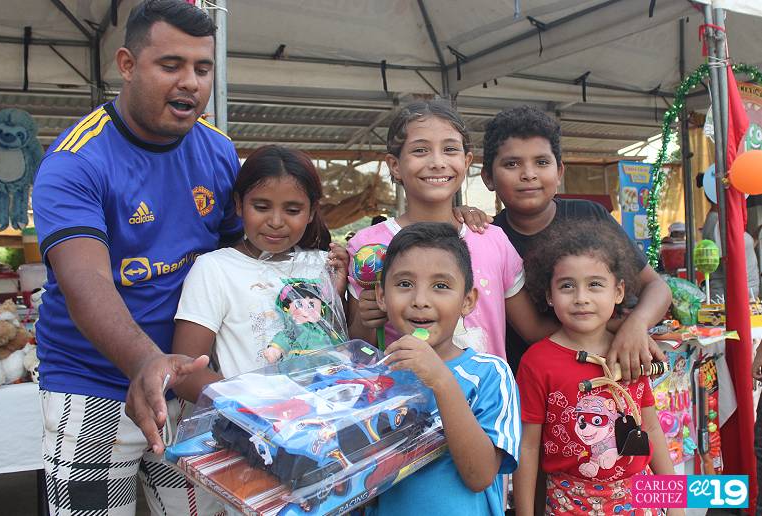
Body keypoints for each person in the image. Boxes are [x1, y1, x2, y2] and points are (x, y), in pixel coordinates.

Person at [32, 1, 235, 513]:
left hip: (186, 384)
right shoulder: (75, 162)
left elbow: (242, 255)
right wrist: (145, 362)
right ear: (126, 65)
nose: (190, 82)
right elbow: (86, 284)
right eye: (171, 65)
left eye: (202, 68)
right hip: (91, 387)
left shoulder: (218, 151)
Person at [347, 99, 556, 358]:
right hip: (408, 398)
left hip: (486, 398)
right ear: (395, 165)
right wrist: (367, 320)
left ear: (467, 161)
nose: (437, 162)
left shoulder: (491, 239)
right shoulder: (367, 247)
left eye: (450, 149)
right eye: (420, 150)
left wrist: (613, 328)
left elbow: (533, 329)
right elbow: (357, 347)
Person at [482, 105, 671, 379]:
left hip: (604, 376)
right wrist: (615, 330)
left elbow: (657, 286)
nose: (528, 174)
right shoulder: (489, 238)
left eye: (541, 162)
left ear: (559, 172)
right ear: (488, 177)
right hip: (530, 383)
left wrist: (637, 325)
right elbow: (534, 330)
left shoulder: (590, 215)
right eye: (512, 164)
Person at [514, 219, 680, 516]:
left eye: (595, 285)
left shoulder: (630, 351)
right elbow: (528, 449)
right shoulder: (536, 362)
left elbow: (651, 428)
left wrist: (676, 506)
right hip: (568, 504)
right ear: (549, 295)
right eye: (567, 286)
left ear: (618, 292)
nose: (581, 298)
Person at [170, 145, 349, 401]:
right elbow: (187, 374)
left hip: (326, 417)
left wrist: (336, 294)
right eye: (262, 207)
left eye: (292, 210)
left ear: (311, 211)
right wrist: (259, 406)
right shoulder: (215, 269)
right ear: (238, 204)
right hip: (251, 426)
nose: (276, 221)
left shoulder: (325, 264)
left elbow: (343, 345)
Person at [374, 222, 520, 514]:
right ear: (381, 296)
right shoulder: (373, 379)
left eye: (440, 286)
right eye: (404, 284)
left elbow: (479, 476)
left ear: (467, 301)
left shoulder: (490, 374)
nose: (420, 301)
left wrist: (441, 380)